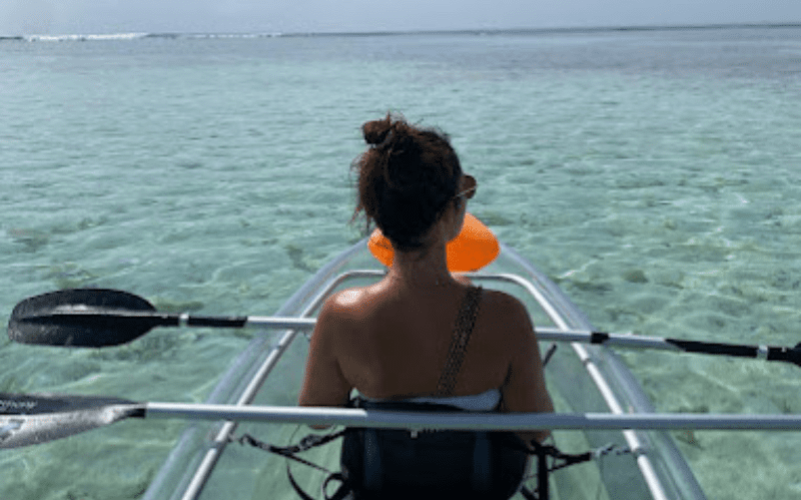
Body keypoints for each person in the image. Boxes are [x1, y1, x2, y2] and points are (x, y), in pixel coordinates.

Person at [298, 114, 554, 499]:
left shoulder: (342, 313)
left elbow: (317, 416)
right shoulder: (505, 315)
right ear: (451, 214)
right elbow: (536, 428)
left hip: (383, 486)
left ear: (375, 215)